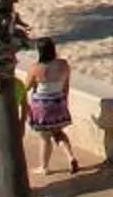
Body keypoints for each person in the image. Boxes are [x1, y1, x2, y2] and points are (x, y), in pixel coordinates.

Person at [23, 36, 80, 175]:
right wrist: (64, 102)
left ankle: (44, 166)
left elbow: (27, 87)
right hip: (58, 101)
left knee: (44, 137)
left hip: (42, 106)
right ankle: (70, 157)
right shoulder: (63, 65)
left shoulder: (36, 68)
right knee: (58, 133)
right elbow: (66, 86)